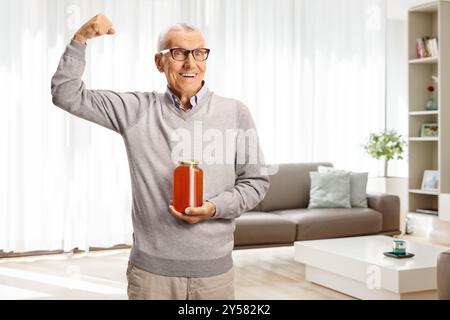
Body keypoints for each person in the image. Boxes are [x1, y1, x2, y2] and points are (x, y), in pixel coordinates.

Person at [51, 14, 270, 300]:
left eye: (199, 53)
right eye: (178, 53)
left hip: (214, 275)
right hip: (151, 276)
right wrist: (80, 39)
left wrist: (214, 207)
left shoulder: (235, 112)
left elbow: (256, 183)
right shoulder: (136, 110)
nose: (191, 63)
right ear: (159, 62)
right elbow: (66, 94)